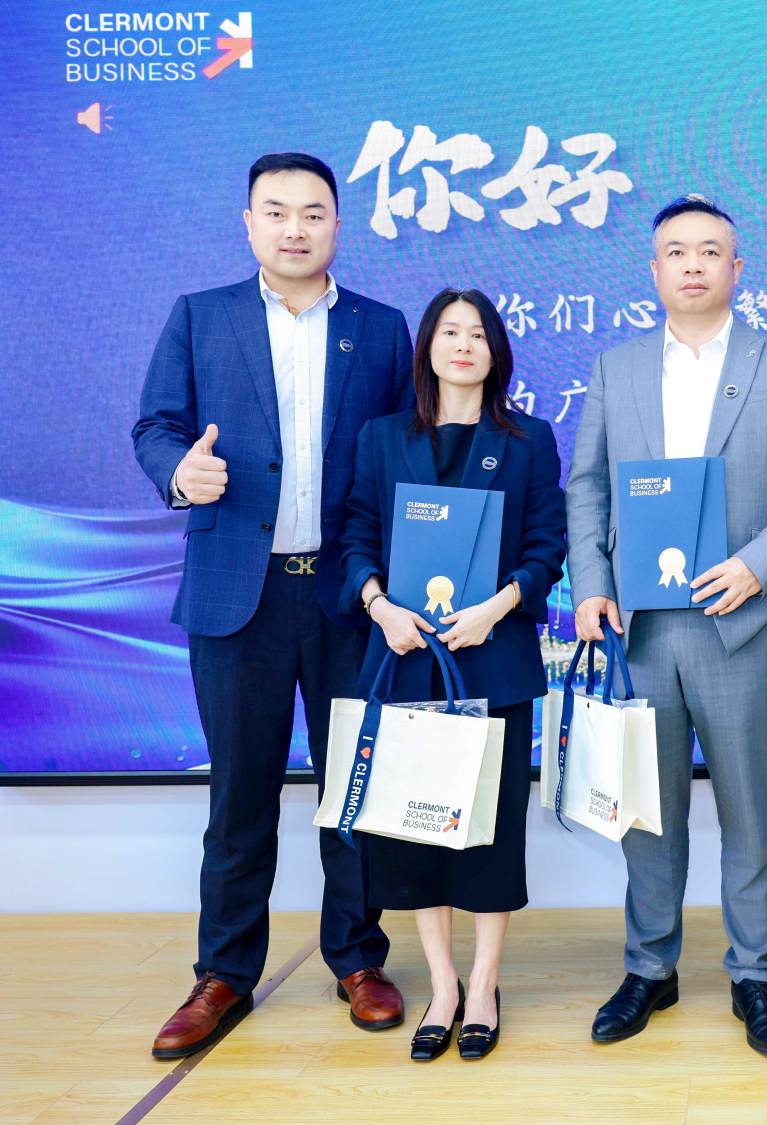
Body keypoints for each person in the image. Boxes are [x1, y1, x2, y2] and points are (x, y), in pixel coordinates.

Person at [133, 152, 414, 1058]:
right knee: (239, 793)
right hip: (236, 596)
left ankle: (358, 959)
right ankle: (223, 973)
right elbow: (155, 425)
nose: (296, 228)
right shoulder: (200, 315)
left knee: (356, 789)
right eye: (277, 211)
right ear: (249, 223)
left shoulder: (380, 328)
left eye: (314, 212)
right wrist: (179, 472)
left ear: (338, 225)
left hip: (347, 596)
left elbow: (402, 454)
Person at [565, 195, 767, 1058]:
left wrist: (759, 562)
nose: (693, 264)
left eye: (710, 251)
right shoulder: (615, 368)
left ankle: (755, 975)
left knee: (750, 815)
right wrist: (591, 585)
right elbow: (587, 486)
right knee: (647, 814)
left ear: (736, 268)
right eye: (677, 252)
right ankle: (650, 966)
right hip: (642, 627)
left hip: (739, 625)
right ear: (654, 270)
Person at [341, 287, 566, 1060]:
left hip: (493, 662)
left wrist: (497, 607)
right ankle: (442, 985)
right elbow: (357, 535)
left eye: (478, 333)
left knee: (489, 837)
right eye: (449, 331)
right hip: (404, 659)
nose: (463, 345)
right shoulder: (381, 438)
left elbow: (546, 545)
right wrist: (379, 606)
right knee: (417, 835)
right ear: (428, 347)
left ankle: (486, 982)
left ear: (496, 351)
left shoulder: (528, 439)